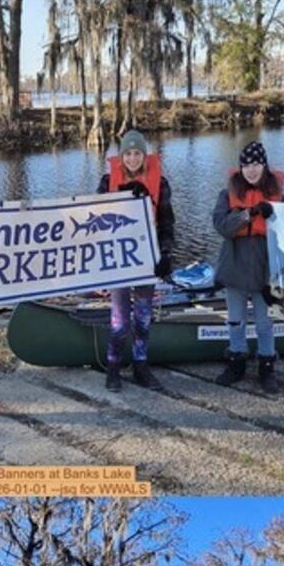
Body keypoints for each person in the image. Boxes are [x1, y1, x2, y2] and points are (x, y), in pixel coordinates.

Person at [95, 130, 176, 392]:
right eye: (127, 154)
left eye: (137, 153)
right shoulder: (107, 181)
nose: (132, 158)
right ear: (121, 157)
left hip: (146, 260)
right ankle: (114, 367)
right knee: (119, 323)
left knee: (143, 319)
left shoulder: (160, 183)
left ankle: (141, 366)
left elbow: (166, 223)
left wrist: (165, 254)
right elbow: (93, 218)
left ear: (144, 155)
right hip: (119, 261)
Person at [210, 141, 284, 391]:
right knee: (236, 320)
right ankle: (236, 360)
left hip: (264, 271)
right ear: (240, 168)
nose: (251, 170)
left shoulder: (278, 197)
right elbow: (222, 226)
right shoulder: (227, 194)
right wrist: (249, 214)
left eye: (256, 164)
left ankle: (267, 366)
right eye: (246, 165)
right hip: (235, 268)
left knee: (265, 323)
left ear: (264, 166)